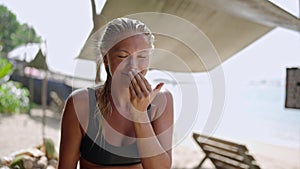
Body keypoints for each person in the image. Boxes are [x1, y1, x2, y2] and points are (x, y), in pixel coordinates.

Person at [58, 18, 174, 169]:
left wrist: (139, 115)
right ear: (106, 57)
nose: (133, 66)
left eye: (142, 56)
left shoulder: (161, 101)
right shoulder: (81, 104)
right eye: (123, 56)